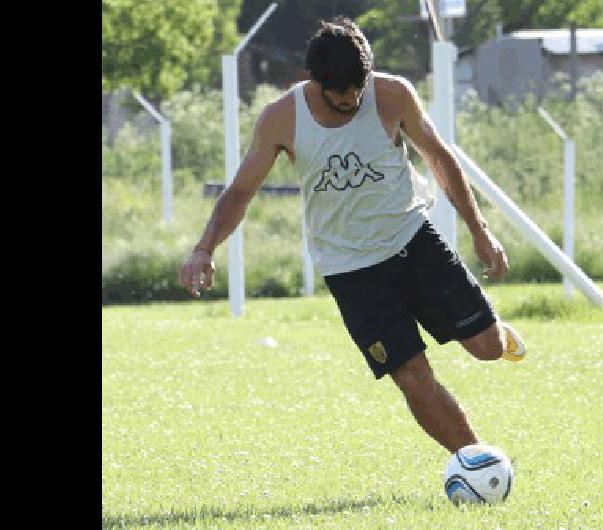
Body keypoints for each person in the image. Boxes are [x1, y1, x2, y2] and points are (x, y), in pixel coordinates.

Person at [179, 17, 527, 454]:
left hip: (412, 240)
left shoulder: (392, 95)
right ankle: (477, 462)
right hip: (351, 269)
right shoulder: (281, 119)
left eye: (356, 87)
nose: (350, 98)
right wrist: (204, 249)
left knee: (488, 349)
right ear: (315, 80)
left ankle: (496, 331)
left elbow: (439, 158)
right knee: (411, 378)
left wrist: (481, 231)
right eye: (338, 90)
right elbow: (240, 192)